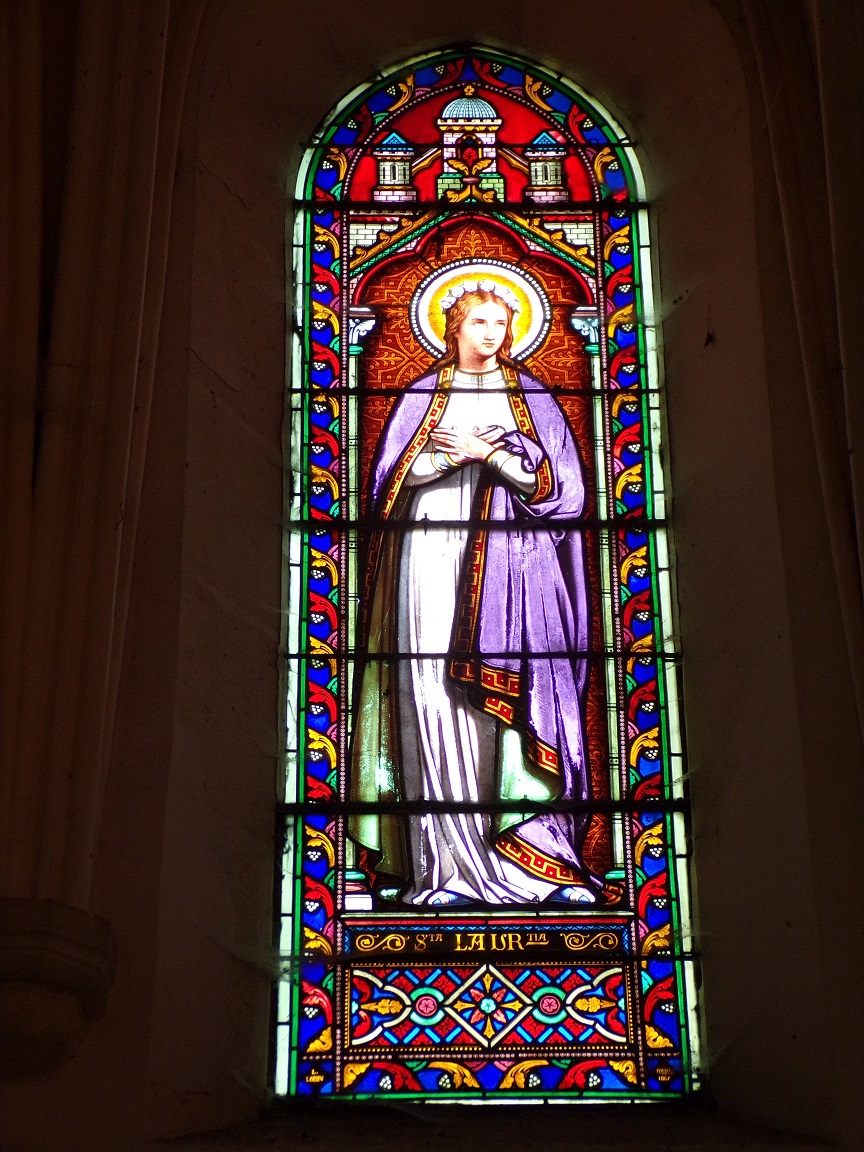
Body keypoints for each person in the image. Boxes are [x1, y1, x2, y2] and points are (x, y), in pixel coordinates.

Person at [349, 278, 609, 906]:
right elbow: (387, 484)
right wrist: (440, 462)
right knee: (431, 692)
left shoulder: (533, 397)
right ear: (453, 328)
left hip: (513, 572)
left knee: (508, 700)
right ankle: (441, 866)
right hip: (429, 556)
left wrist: (486, 456)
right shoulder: (420, 396)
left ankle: (533, 864)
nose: (492, 335)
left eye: (501, 323)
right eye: (479, 322)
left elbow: (566, 492)